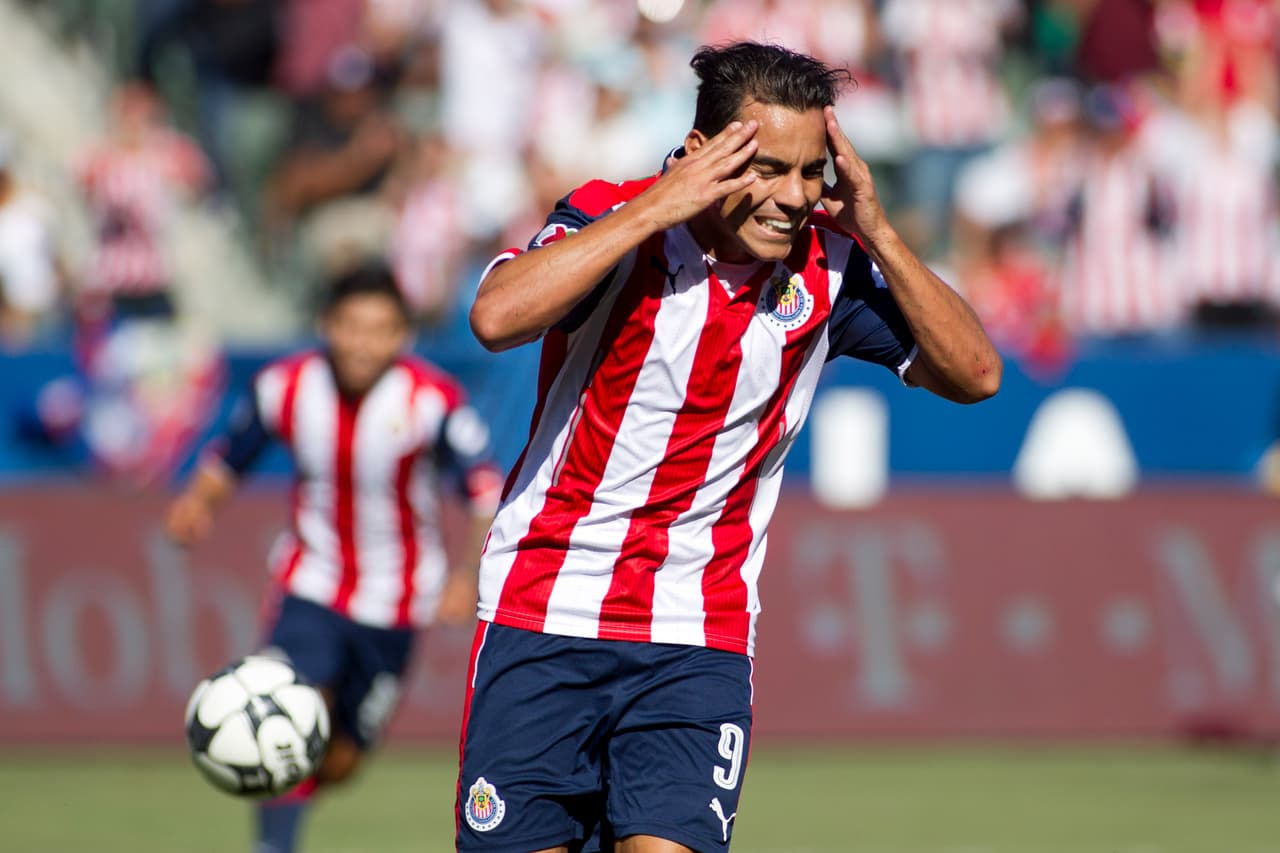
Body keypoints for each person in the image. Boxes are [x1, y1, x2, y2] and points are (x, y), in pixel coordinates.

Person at [457, 41, 1001, 853]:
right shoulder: (613, 216)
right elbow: (497, 317)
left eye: (811, 170)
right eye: (767, 167)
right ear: (705, 153)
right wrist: (654, 208)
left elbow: (976, 373)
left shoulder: (831, 265)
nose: (792, 196)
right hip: (544, 611)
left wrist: (879, 229)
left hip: (696, 631)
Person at [166, 264, 501, 853]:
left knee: (340, 760)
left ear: (403, 336)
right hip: (310, 584)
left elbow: (480, 488)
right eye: (351, 326)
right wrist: (199, 502)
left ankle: (290, 793)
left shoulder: (432, 401)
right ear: (327, 326)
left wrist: (465, 574)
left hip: (396, 602)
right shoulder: (285, 387)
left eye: (380, 329)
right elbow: (233, 454)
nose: (362, 342)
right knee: (295, 709)